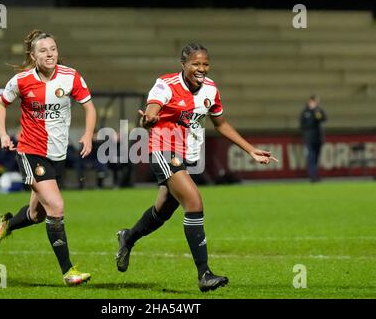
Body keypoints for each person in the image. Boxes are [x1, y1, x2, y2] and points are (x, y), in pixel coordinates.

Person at [115, 43, 278, 292]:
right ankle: (205, 274)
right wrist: (148, 119)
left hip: (187, 153)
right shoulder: (166, 84)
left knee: (164, 210)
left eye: (205, 64)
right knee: (194, 202)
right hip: (164, 148)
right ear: (183, 64)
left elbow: (221, 124)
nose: (201, 68)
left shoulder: (211, 88)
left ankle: (128, 237)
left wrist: (250, 149)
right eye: (195, 64)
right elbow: (151, 110)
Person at [0, 30, 97, 286]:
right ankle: (68, 272)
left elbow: (89, 106)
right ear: (33, 55)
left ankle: (8, 223)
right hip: (30, 151)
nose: (50, 54)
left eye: (53, 49)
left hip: (57, 155)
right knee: (57, 207)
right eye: (43, 50)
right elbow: (0, 104)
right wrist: (4, 134)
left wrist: (89, 135)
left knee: (37, 215)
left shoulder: (71, 76)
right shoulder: (21, 81)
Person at [300, 95, 327, 182]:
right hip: (309, 139)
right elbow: (303, 125)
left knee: (316, 158)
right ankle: (312, 177)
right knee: (311, 157)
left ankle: (315, 175)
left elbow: (323, 119)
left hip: (318, 138)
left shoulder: (318, 111)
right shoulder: (305, 112)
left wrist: (316, 111)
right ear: (310, 101)